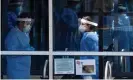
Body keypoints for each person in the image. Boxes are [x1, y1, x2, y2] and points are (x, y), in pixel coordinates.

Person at [5, 12, 34, 79]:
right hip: (15, 71)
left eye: (30, 23)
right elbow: (11, 52)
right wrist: (26, 50)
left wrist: (28, 49)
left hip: (25, 71)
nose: (29, 25)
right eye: (27, 23)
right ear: (21, 23)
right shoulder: (13, 35)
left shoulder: (24, 34)